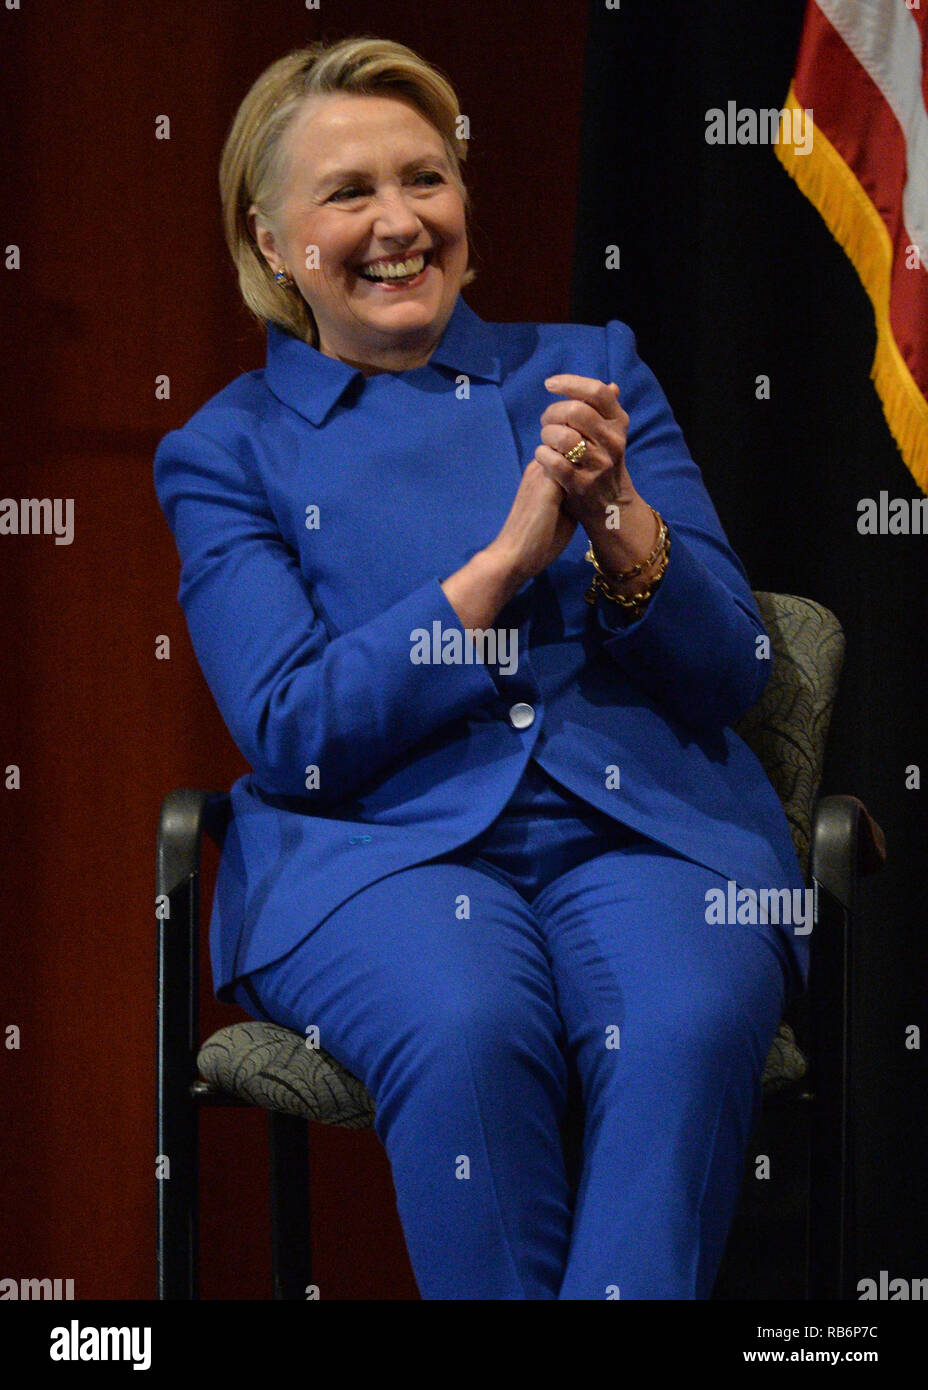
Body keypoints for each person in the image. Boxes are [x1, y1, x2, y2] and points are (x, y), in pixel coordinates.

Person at [154, 35, 809, 1301]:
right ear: (274, 239)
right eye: (349, 194)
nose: (399, 222)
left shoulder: (591, 369)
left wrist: (622, 523)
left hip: (646, 828)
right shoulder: (226, 450)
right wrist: (501, 565)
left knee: (681, 1021)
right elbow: (291, 725)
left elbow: (735, 670)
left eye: (426, 179)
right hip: (376, 853)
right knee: (466, 1027)